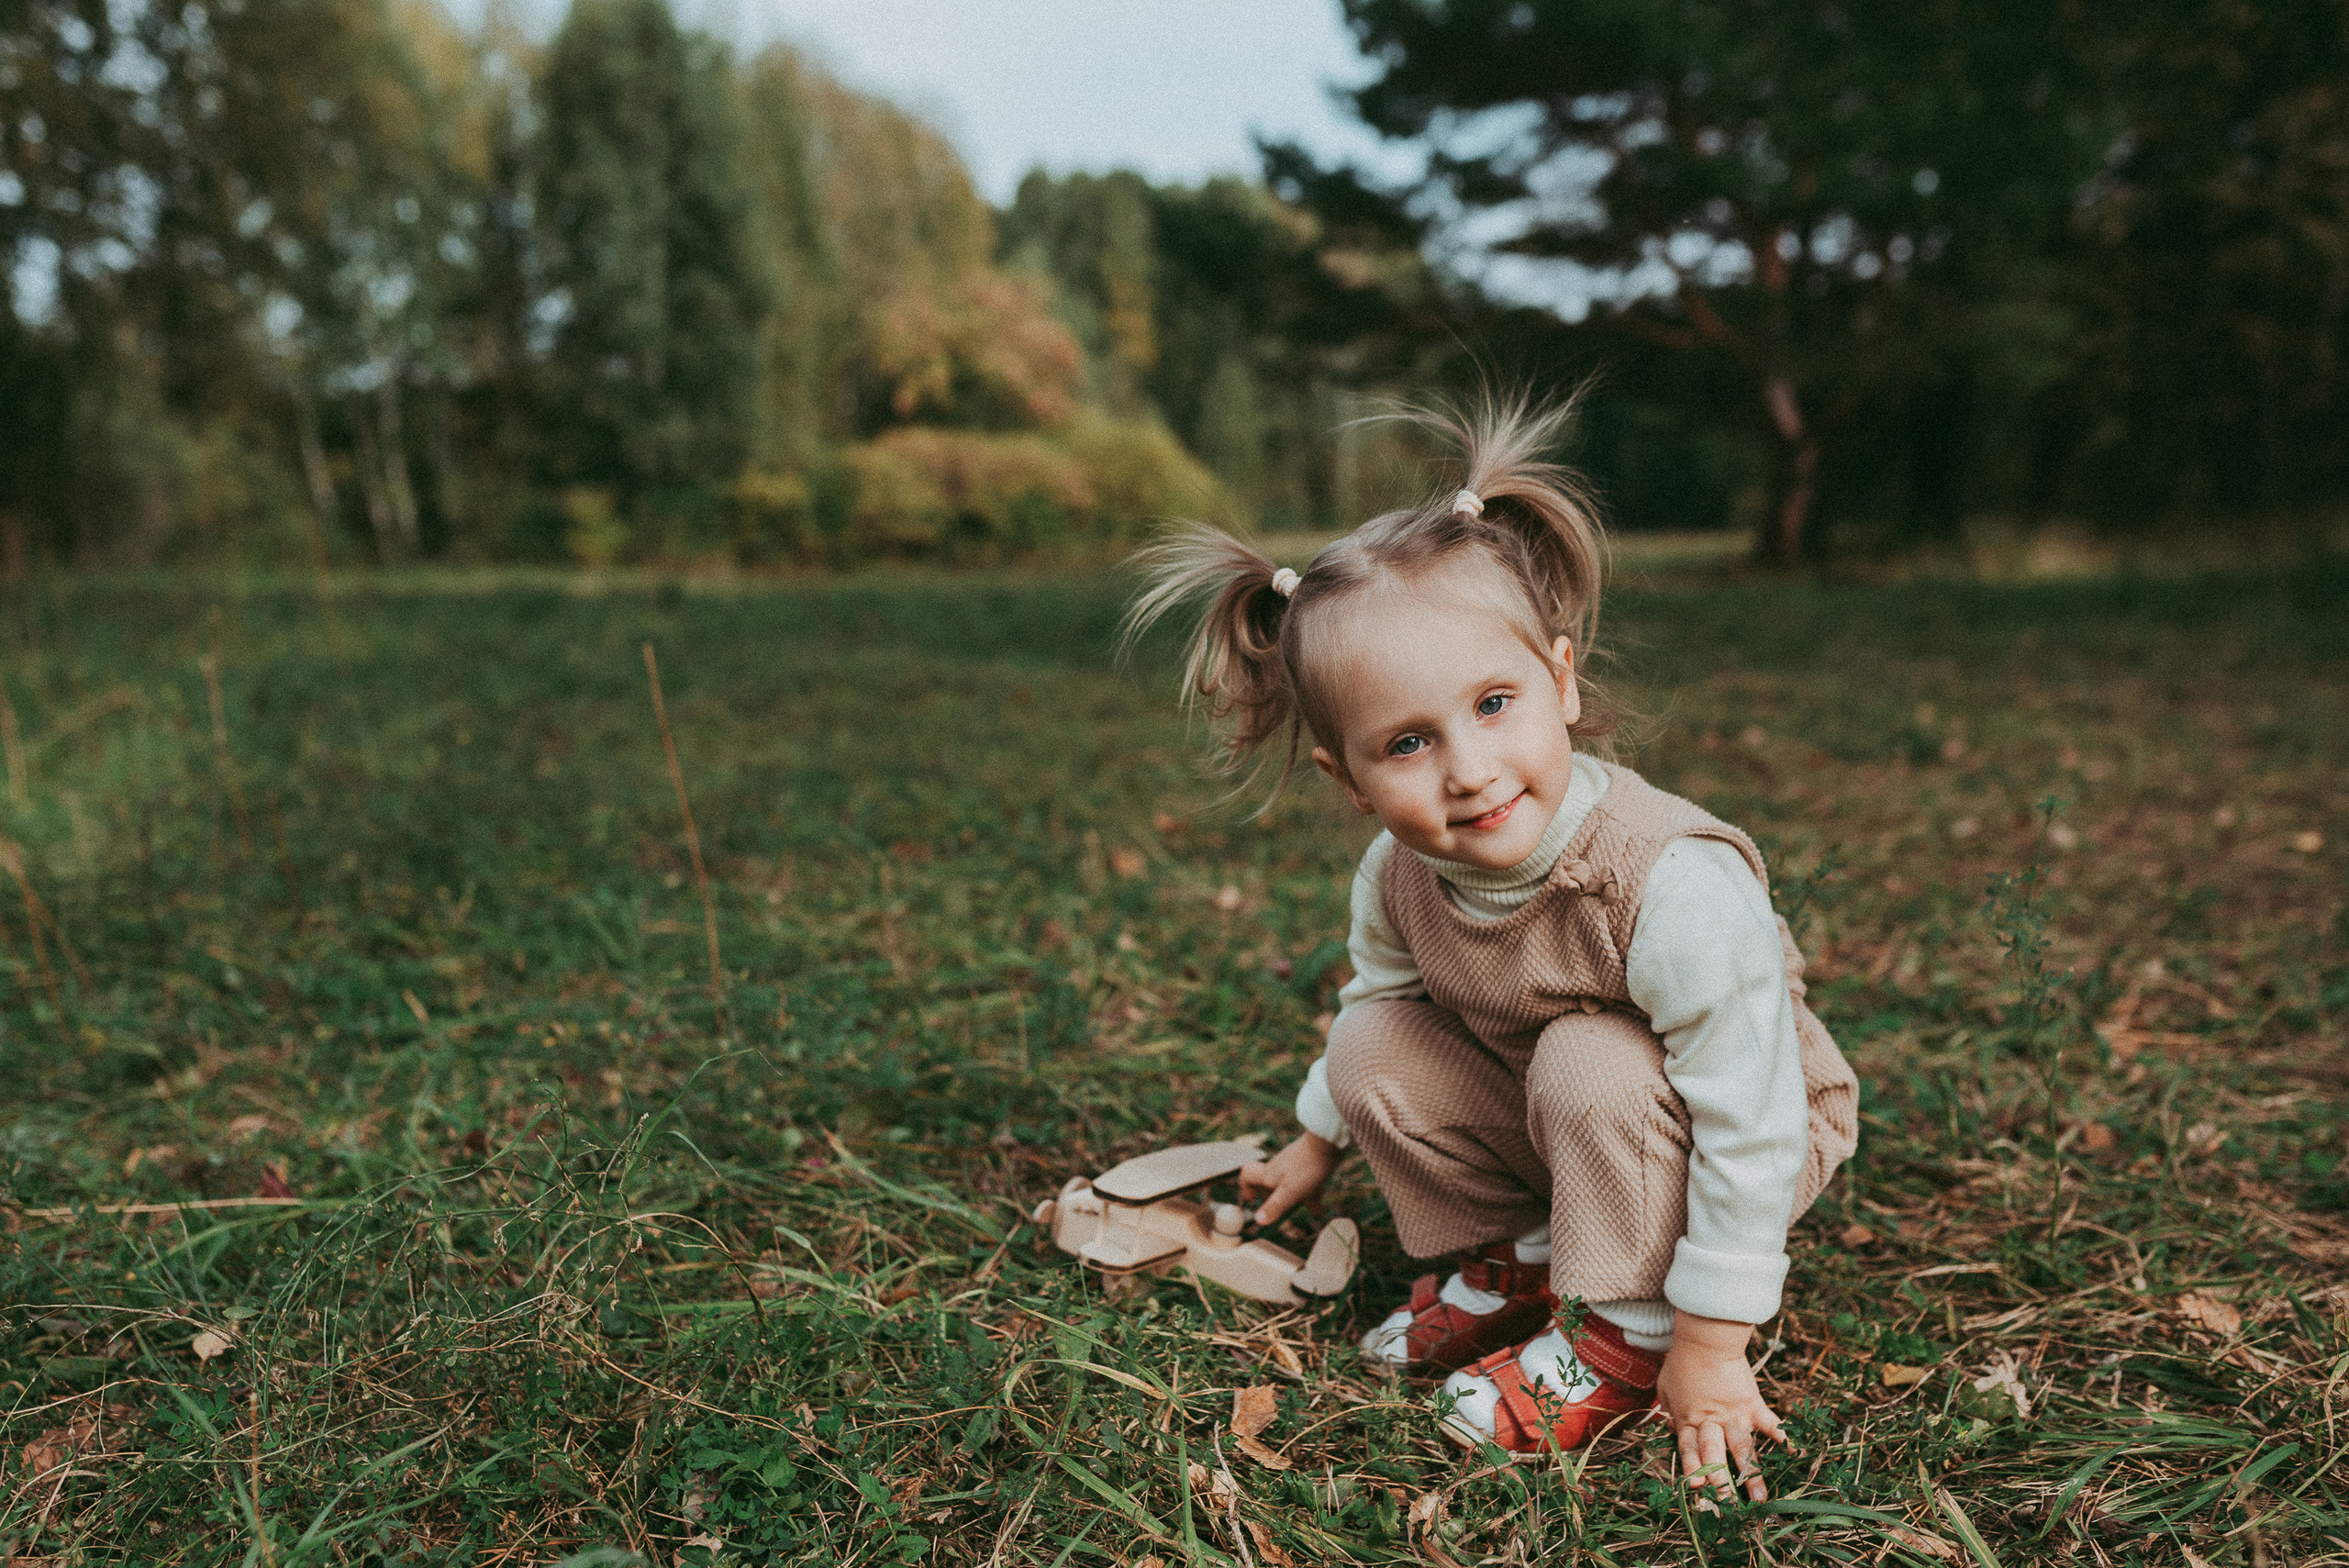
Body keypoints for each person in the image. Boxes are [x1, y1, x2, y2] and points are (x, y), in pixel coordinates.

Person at [1124, 395, 1857, 1498]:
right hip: (1564, 1119)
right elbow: (1377, 997)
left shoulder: (1668, 883)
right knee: (1370, 1037)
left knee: (1588, 1055)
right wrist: (1314, 1140)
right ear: (1349, 777)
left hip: (1734, 1121)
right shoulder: (1401, 873)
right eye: (1409, 741)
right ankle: (1529, 1261)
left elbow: (1748, 1119)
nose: (1467, 768)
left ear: (1561, 681)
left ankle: (1631, 1330)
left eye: (1496, 702)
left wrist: (1712, 1341)